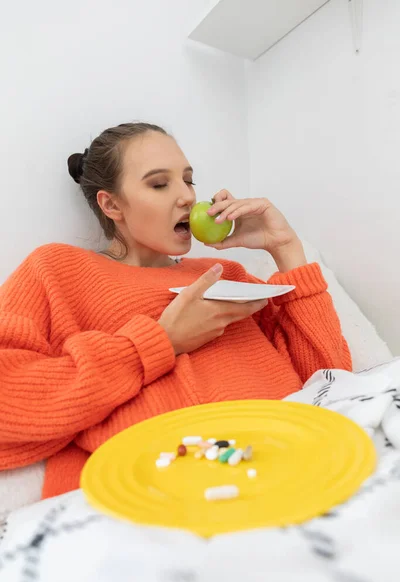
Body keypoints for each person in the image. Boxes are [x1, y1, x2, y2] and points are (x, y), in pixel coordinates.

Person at [0, 122, 351, 499]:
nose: (186, 197)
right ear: (111, 204)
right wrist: (159, 343)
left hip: (295, 463)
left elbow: (333, 383)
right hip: (171, 490)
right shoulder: (57, 270)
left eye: (188, 180)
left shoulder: (227, 276)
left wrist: (286, 249)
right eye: (159, 184)